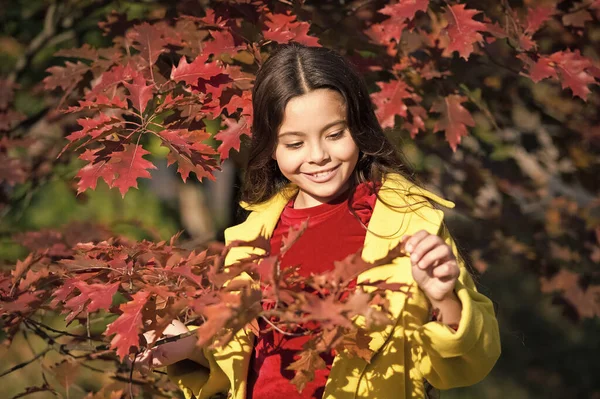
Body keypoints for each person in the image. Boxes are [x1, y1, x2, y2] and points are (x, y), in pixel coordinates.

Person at [134, 42, 501, 399]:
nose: (319, 156)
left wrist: (445, 300)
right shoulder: (253, 233)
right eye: (295, 144)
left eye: (335, 134)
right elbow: (246, 363)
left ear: (358, 127)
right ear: (271, 148)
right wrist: (189, 347)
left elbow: (471, 363)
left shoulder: (408, 222)